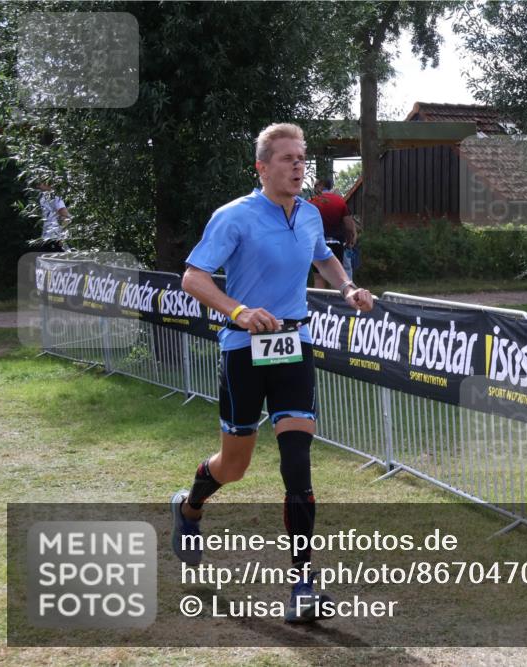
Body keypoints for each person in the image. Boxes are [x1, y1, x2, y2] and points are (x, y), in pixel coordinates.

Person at [171, 123, 374, 624]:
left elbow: (325, 259)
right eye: (287, 158)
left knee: (297, 458)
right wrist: (239, 312)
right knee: (233, 464)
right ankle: (189, 506)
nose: (298, 166)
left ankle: (303, 583)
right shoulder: (234, 217)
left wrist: (348, 288)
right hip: (243, 346)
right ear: (262, 167)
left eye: (301, 157)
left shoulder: (308, 216)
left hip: (294, 343)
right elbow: (193, 277)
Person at [308, 178, 358, 289]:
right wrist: (350, 241)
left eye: (316, 186)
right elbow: (349, 226)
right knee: (337, 276)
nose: (315, 189)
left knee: (318, 278)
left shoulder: (311, 202)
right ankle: (336, 303)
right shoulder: (339, 201)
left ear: (321, 186)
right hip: (337, 243)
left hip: (317, 244)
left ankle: (318, 305)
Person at [37, 182, 71, 252]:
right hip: (46, 237)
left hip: (56, 237)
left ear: (47, 184)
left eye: (40, 183)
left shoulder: (56, 198)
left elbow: (66, 217)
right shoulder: (43, 198)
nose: (38, 186)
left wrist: (62, 237)